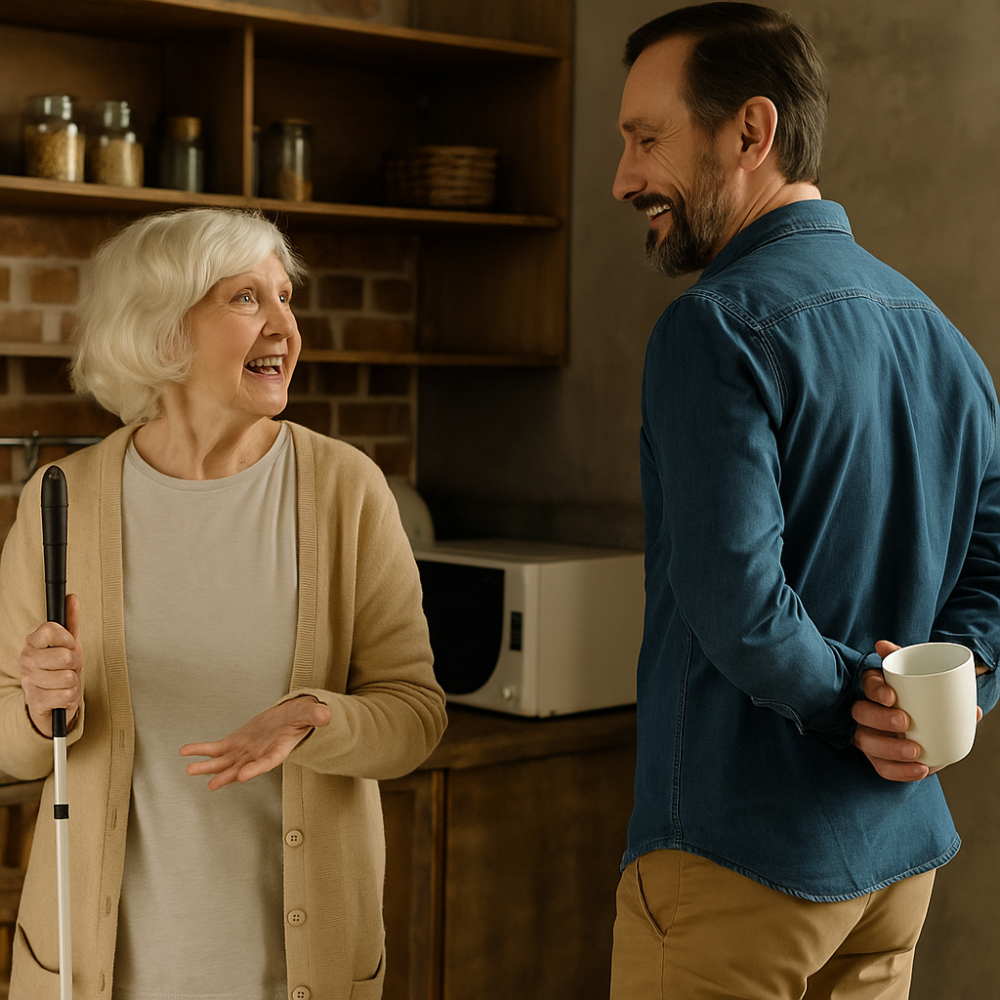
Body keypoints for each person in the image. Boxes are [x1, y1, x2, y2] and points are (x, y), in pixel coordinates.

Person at [609, 4, 1000, 998]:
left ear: (751, 131)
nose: (623, 180)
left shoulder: (710, 328)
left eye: (645, 139)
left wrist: (858, 712)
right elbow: (992, 578)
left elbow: (736, 600)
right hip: (894, 864)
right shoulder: (946, 340)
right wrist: (927, 710)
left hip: (737, 862)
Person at [0, 207, 447, 1000]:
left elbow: (415, 717)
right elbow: (12, 740)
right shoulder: (62, 498)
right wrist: (38, 710)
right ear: (164, 331)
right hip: (96, 975)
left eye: (286, 296)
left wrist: (317, 717)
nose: (286, 324)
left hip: (292, 977)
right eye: (247, 299)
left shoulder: (346, 490)